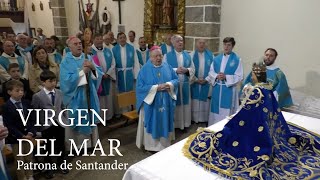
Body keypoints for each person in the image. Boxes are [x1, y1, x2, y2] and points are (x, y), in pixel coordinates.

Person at [183, 62, 320, 179]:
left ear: (256, 76)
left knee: (228, 136)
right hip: (267, 126)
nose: (252, 76)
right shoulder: (267, 88)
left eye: (253, 74)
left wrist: (232, 123)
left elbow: (246, 112)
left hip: (255, 129)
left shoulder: (257, 91)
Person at [60, 36, 102, 149]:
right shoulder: (65, 62)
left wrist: (93, 67)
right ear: (69, 47)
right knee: (78, 119)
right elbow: (66, 81)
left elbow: (98, 73)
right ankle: (77, 146)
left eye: (80, 43)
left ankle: (91, 144)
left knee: (90, 117)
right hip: (75, 96)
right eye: (75, 44)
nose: (79, 45)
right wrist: (82, 72)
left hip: (89, 94)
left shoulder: (87, 57)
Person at [136, 46, 178, 151]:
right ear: (150, 58)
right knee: (153, 121)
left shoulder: (167, 66)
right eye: (156, 56)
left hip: (165, 101)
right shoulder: (144, 70)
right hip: (152, 104)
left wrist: (169, 84)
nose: (158, 58)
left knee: (165, 119)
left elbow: (176, 80)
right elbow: (140, 88)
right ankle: (152, 146)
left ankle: (164, 144)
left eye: (160, 55)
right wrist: (156, 88)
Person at [31, 71, 68, 178]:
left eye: (54, 81)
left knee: (61, 145)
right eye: (50, 81)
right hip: (46, 125)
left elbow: (62, 107)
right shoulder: (37, 96)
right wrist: (37, 128)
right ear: (43, 82)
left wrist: (65, 119)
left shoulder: (59, 92)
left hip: (59, 123)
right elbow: (35, 112)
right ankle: (49, 167)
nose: (53, 83)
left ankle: (62, 164)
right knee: (48, 147)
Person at [3, 80, 36, 180]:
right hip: (16, 138)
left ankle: (30, 176)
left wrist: (30, 132)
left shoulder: (26, 103)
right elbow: (9, 125)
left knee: (28, 158)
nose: (21, 92)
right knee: (20, 160)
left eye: (22, 90)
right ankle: (22, 177)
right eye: (17, 90)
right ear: (9, 92)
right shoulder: (6, 106)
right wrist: (21, 136)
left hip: (28, 136)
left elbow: (32, 119)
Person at [205, 37, 243, 126]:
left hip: (229, 90)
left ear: (233, 46)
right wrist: (216, 76)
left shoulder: (237, 60)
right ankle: (214, 127)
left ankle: (226, 129)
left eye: (229, 45)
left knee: (227, 111)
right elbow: (211, 72)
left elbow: (239, 76)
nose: (226, 47)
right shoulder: (217, 58)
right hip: (217, 88)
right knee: (215, 110)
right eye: (225, 45)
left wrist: (226, 77)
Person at [164, 35, 195, 130]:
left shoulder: (187, 55)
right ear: (173, 43)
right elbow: (164, 70)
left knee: (185, 105)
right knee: (175, 105)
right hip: (174, 85)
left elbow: (193, 68)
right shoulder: (167, 56)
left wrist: (187, 70)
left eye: (181, 40)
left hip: (185, 83)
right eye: (178, 41)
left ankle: (185, 124)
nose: (180, 43)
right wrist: (175, 70)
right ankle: (175, 125)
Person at [91, 34, 116, 120]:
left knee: (108, 97)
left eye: (101, 39)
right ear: (93, 40)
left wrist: (108, 73)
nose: (99, 41)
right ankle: (100, 118)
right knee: (99, 98)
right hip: (97, 79)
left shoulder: (108, 50)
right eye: (97, 39)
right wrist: (101, 75)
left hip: (107, 78)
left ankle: (108, 117)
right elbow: (91, 65)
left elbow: (113, 63)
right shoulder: (91, 51)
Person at [190, 39, 214, 123]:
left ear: (206, 44)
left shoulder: (211, 55)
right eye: (200, 43)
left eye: (203, 43)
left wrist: (207, 79)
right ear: (196, 44)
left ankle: (203, 118)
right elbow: (189, 69)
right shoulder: (192, 55)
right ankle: (194, 118)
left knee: (205, 101)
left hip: (206, 81)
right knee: (195, 100)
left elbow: (213, 69)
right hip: (194, 81)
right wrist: (195, 79)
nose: (202, 45)